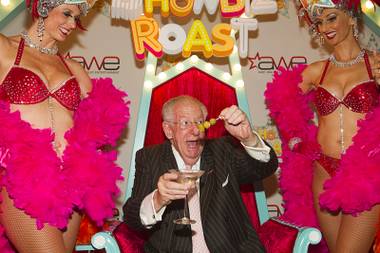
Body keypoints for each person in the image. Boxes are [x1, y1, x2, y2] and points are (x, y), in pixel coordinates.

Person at [0, 0, 130, 252]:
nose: (72, 24)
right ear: (44, 6)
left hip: (70, 184)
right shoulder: (5, 49)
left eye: (77, 18)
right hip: (24, 179)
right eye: (67, 14)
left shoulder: (74, 69)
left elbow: (95, 129)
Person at [265, 0, 380, 252]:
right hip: (324, 170)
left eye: (331, 18)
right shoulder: (318, 71)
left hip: (365, 174)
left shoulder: (376, 65)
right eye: (319, 22)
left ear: (351, 18)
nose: (324, 27)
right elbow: (281, 96)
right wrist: (297, 137)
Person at [123, 95, 278, 253]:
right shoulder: (149, 157)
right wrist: (158, 199)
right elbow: (132, 217)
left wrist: (249, 138)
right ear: (168, 130)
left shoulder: (223, 150)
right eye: (185, 123)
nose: (196, 131)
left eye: (199, 122)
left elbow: (264, 167)